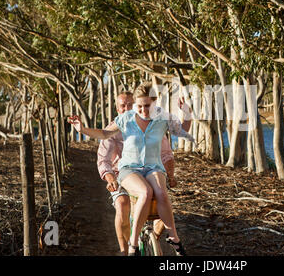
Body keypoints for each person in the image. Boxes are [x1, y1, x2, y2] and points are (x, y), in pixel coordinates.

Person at [68, 82, 193, 256]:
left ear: (154, 104)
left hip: (153, 167)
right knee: (144, 193)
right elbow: (104, 134)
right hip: (128, 169)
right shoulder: (124, 120)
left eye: (147, 106)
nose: (143, 110)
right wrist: (82, 129)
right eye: (139, 106)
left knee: (162, 193)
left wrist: (186, 112)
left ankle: (174, 239)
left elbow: (183, 131)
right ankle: (131, 244)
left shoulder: (162, 119)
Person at [97, 91, 176, 256]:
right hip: (122, 174)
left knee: (162, 200)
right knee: (122, 204)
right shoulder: (114, 127)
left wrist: (171, 175)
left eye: (130, 105)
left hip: (149, 171)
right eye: (122, 106)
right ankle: (125, 250)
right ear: (117, 108)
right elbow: (103, 160)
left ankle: (153, 239)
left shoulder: (152, 124)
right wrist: (110, 179)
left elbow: (166, 154)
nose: (126, 109)